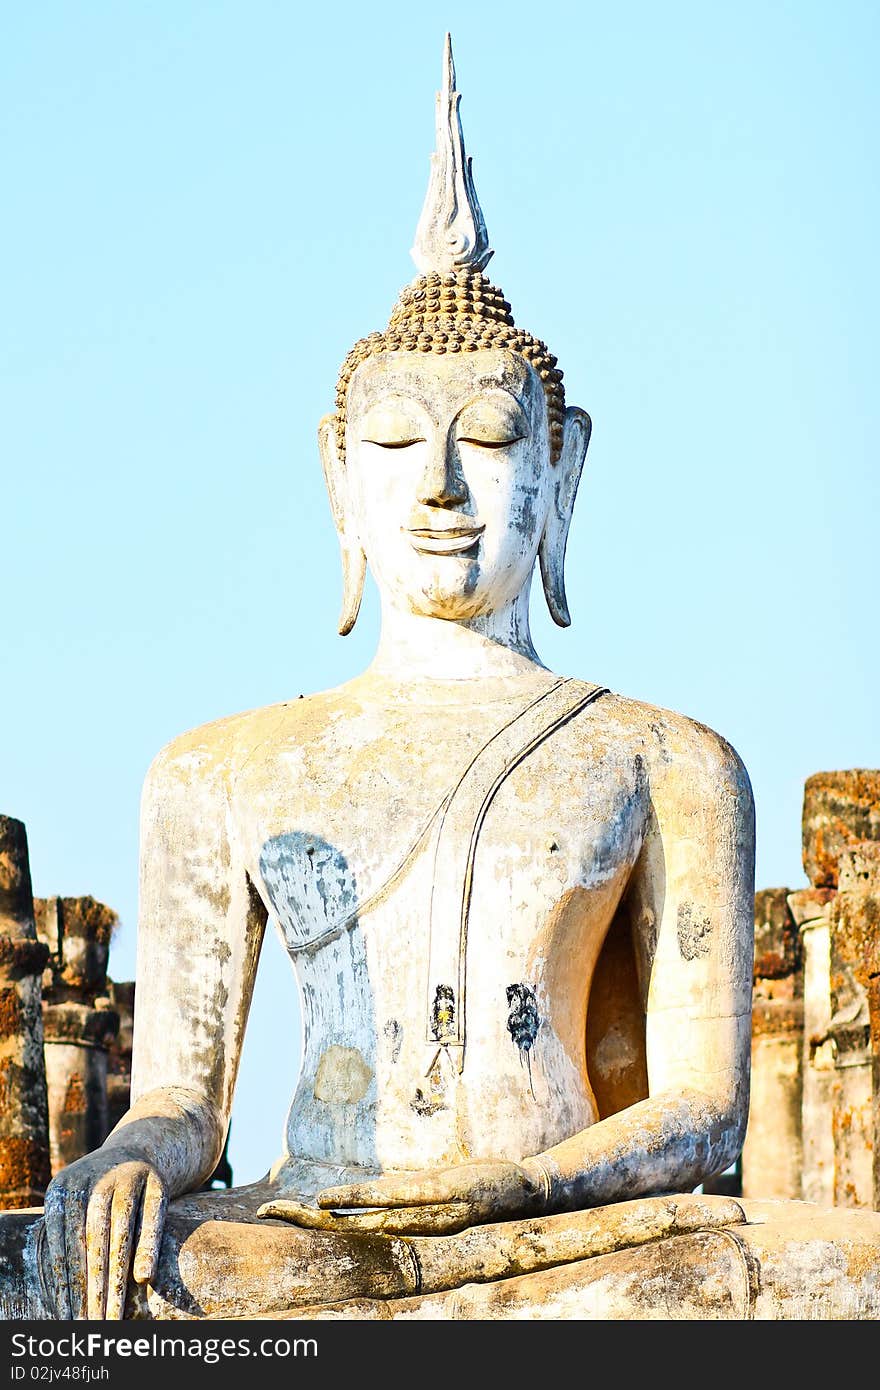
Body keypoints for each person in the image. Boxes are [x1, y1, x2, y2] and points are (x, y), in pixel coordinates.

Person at [3, 38, 878, 1322]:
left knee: (841, 1274)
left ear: (563, 469)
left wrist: (509, 1190)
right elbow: (183, 1099)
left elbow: (696, 1115)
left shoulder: (665, 758)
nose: (440, 486)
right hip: (310, 1224)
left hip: (573, 1232)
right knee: (51, 1272)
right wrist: (133, 1155)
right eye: (400, 441)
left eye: (485, 438)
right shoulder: (221, 767)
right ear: (336, 474)